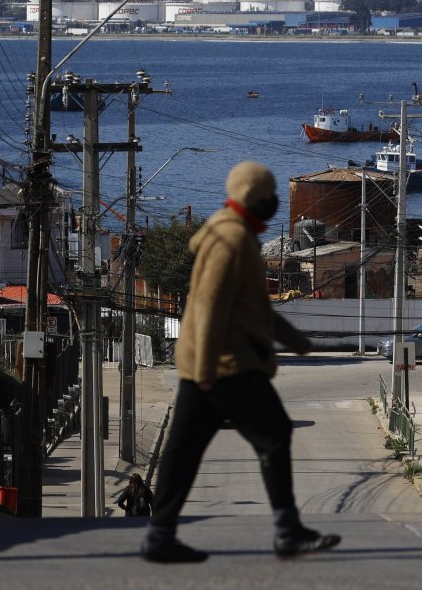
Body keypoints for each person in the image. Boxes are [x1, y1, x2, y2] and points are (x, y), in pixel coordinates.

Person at [141, 161, 341, 564]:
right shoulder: (232, 239)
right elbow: (211, 307)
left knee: (183, 450)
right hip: (225, 363)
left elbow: (254, 309)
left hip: (208, 363)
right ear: (258, 199)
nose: (276, 204)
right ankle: (287, 531)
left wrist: (297, 340)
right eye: (271, 198)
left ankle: (160, 535)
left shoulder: (236, 234)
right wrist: (208, 371)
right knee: (274, 435)